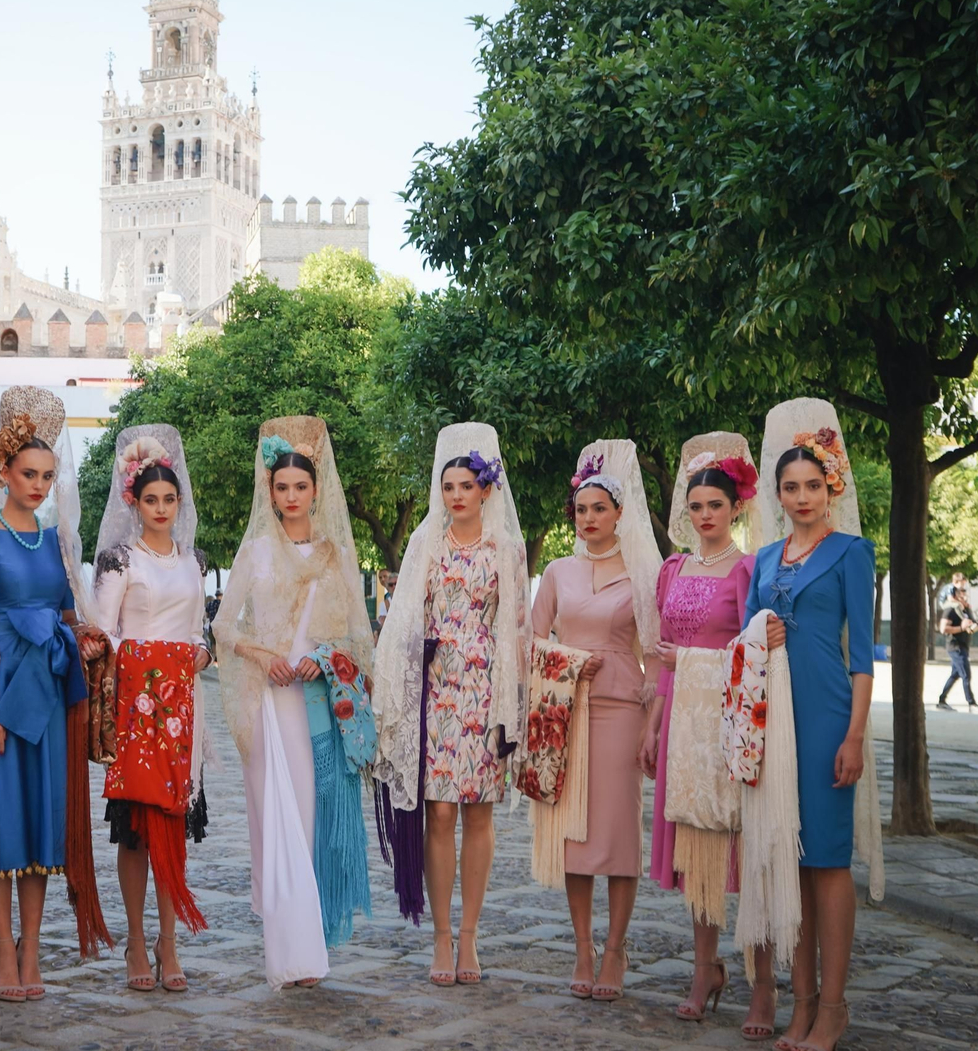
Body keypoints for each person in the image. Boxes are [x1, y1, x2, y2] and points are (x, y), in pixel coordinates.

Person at [0, 386, 110, 1003]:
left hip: (48, 693)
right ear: (5, 472)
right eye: (29, 474)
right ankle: (0, 948)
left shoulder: (55, 541)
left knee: (45, 819)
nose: (40, 485)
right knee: (1, 819)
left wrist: (88, 640)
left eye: (47, 475)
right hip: (1, 690)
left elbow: (68, 615)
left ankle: (31, 949)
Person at [214, 416, 376, 990]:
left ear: (316, 489)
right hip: (271, 704)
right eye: (280, 487)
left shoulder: (335, 555)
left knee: (309, 821)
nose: (290, 497)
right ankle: (287, 954)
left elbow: (360, 634)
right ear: (270, 490)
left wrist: (325, 657)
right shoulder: (256, 552)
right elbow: (223, 628)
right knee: (277, 821)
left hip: (317, 701)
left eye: (299, 487)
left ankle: (310, 948)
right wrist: (263, 656)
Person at [744, 399, 883, 1051]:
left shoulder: (854, 552)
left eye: (813, 486)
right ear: (777, 494)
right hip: (773, 721)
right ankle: (799, 1005)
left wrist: (855, 735)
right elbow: (741, 643)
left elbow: (864, 656)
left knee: (826, 861)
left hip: (829, 718)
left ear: (833, 488)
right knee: (786, 861)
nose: (802, 496)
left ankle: (834, 1005)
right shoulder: (765, 560)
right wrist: (757, 631)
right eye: (790, 487)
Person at [373, 424, 528, 987]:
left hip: (485, 690)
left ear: (486, 490)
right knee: (437, 811)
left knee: (478, 813)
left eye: (466, 486)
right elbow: (401, 621)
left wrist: (511, 707)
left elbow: (516, 631)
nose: (457, 495)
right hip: (435, 690)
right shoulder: (425, 544)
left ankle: (470, 938)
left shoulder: (507, 550)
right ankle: (441, 936)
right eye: (448, 487)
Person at [637, 434, 776, 1036]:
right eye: (695, 507)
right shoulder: (673, 570)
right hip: (682, 730)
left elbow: (756, 654)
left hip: (732, 725)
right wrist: (652, 724)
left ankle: (762, 985)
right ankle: (704, 970)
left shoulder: (750, 570)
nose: (704, 516)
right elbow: (666, 659)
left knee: (745, 859)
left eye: (714, 505)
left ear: (735, 507)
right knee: (697, 859)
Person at [526, 438, 661, 1002]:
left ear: (619, 514)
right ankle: (583, 946)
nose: (588, 519)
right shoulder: (557, 571)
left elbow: (655, 654)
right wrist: (570, 661)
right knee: (575, 837)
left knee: (618, 835)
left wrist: (654, 722)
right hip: (563, 713)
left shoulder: (644, 575)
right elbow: (529, 642)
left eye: (599, 509)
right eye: (580, 510)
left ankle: (616, 948)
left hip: (620, 712)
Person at [92, 426, 212, 992]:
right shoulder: (119, 561)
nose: (160, 509)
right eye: (150, 500)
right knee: (135, 833)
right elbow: (102, 632)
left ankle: (169, 943)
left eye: (169, 500)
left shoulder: (194, 561)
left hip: (183, 710)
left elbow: (198, 630)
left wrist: (200, 653)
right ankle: (136, 943)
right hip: (138, 711)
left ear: (178, 502)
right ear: (133, 503)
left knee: (173, 827)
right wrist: (146, 661)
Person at [938, 574, 978, 711]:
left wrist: (975, 627)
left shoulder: (966, 609)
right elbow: (943, 628)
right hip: (955, 646)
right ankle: (971, 703)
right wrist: (961, 628)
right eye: (961, 593)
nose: (964, 595)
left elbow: (974, 624)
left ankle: (942, 700)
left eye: (965, 593)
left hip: (964, 645)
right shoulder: (950, 609)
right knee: (966, 675)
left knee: (955, 674)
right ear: (955, 596)